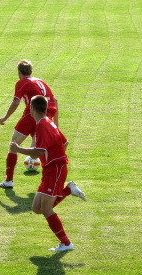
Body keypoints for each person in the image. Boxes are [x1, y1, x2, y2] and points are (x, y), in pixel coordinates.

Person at [9, 95, 86, 252]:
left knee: (46, 209)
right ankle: (68, 190)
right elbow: (64, 142)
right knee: (37, 208)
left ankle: (66, 243)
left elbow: (37, 153)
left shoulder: (43, 126)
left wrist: (18, 149)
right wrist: (54, 156)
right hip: (51, 169)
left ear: (32, 108)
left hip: (54, 170)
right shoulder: (49, 122)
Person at [0, 60, 59, 189]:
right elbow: (55, 100)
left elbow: (15, 102)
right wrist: (55, 122)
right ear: (31, 71)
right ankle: (49, 181)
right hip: (49, 112)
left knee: (13, 144)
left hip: (34, 113)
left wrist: (5, 117)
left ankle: (8, 181)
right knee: (39, 149)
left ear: (19, 73)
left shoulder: (22, 82)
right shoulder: (40, 81)